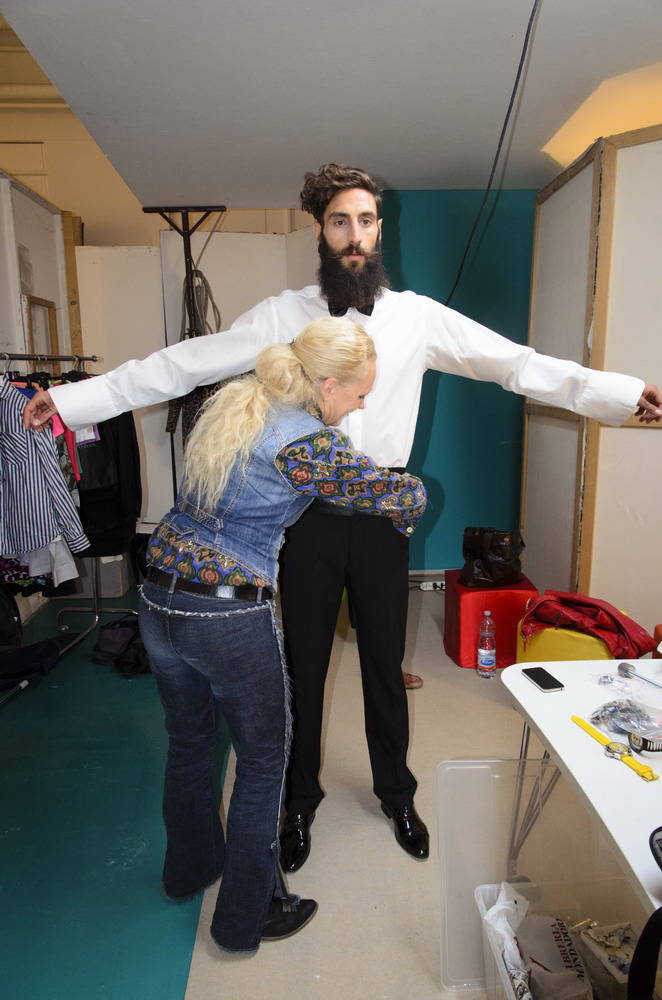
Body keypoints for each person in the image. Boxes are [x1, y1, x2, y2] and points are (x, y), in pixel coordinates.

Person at [23, 162, 662, 875]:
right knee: (302, 664)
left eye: (365, 221)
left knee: (385, 664)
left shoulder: (418, 317)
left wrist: (618, 394)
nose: (354, 236)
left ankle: (396, 794)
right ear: (319, 232)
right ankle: (298, 802)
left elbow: (518, 364)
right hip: (308, 517)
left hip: (382, 516)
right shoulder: (282, 315)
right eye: (339, 222)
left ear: (379, 230)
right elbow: (184, 363)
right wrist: (77, 400)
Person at [137, 317, 427, 954]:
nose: (363, 404)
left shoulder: (240, 403)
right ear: (327, 386)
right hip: (226, 613)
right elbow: (395, 495)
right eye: (359, 393)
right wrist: (413, 493)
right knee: (264, 764)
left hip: (158, 597)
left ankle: (188, 870)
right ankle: (251, 915)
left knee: (190, 744)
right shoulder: (308, 444)